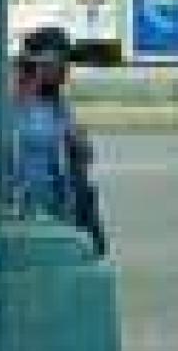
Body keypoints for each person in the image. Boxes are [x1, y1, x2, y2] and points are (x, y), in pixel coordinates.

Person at [11, 26, 107, 255]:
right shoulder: (13, 104)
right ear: (41, 63)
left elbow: (84, 155)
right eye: (62, 62)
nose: (67, 70)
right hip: (27, 215)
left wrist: (78, 143)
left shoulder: (57, 105)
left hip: (62, 211)